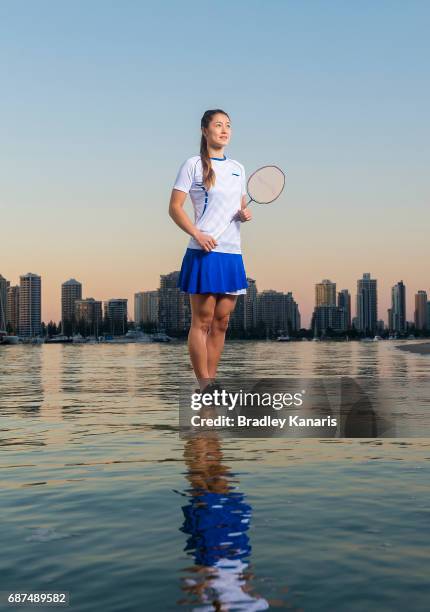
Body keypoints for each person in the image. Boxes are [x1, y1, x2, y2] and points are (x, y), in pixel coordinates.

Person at [169, 109, 252, 393]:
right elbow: (174, 208)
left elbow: (236, 207)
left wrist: (243, 215)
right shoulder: (192, 164)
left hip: (232, 253)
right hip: (204, 251)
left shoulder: (239, 168)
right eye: (218, 125)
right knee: (202, 321)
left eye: (228, 125)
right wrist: (197, 234)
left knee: (222, 323)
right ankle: (203, 383)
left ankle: (211, 384)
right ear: (205, 130)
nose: (225, 130)